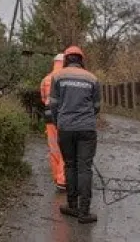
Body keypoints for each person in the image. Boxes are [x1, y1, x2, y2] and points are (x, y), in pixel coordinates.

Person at [49, 45, 100, 225]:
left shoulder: (58, 77)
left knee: (70, 165)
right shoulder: (92, 78)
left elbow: (53, 105)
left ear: (66, 60)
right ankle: (84, 212)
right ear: (81, 60)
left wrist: (60, 122)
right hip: (87, 128)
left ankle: (72, 205)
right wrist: (86, 120)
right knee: (84, 167)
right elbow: (96, 107)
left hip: (66, 128)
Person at [40, 53, 66, 191]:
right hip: (64, 117)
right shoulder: (66, 78)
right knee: (65, 148)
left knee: (53, 148)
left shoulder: (46, 79)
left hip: (49, 117)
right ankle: (63, 179)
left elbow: (43, 99)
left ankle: (56, 177)